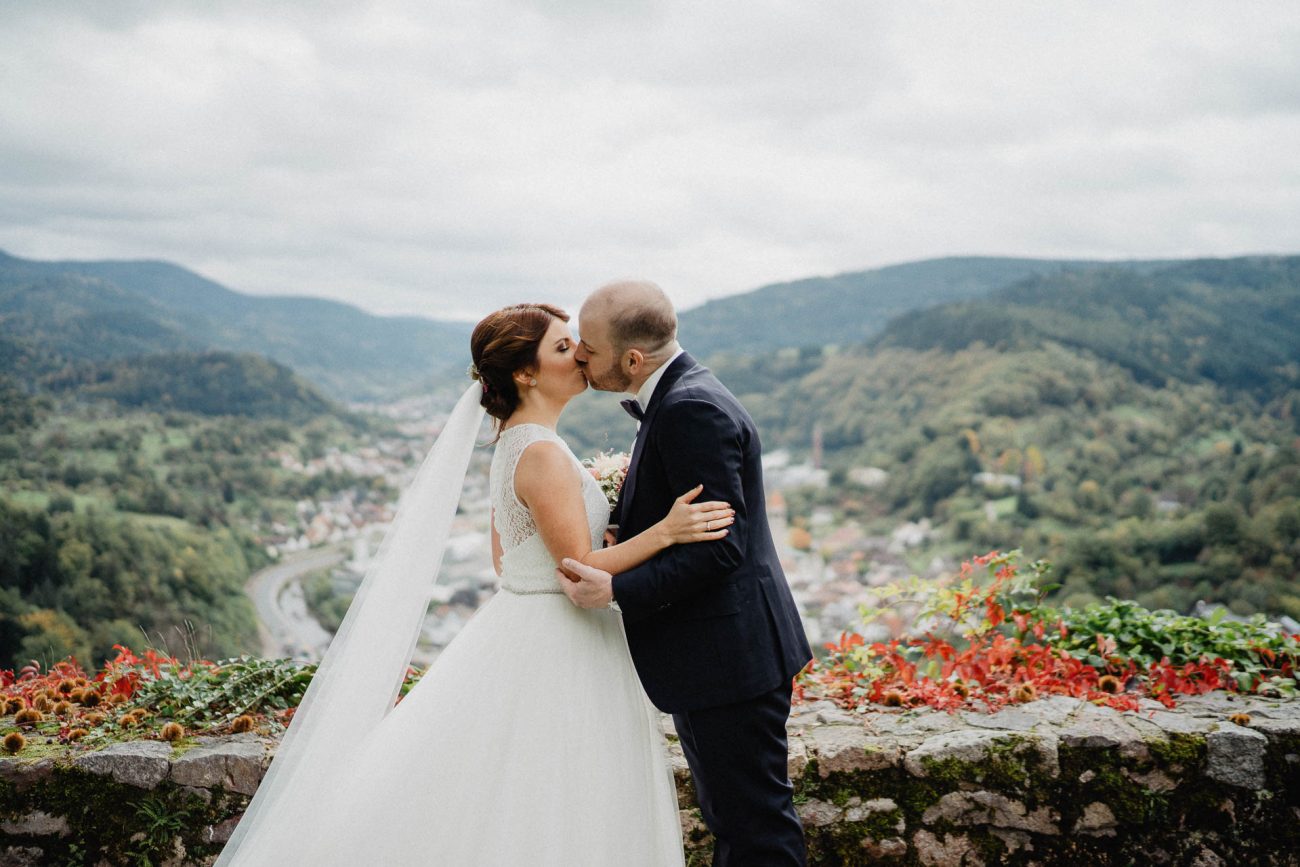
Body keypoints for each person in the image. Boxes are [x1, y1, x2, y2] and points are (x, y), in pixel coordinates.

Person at [214, 303, 735, 866]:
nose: (581, 356)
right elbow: (577, 567)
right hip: (562, 642)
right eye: (563, 348)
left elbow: (505, 559)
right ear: (525, 373)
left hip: (523, 625)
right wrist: (665, 532)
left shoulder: (513, 444)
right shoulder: (542, 452)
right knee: (564, 792)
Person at [560, 280, 814, 866]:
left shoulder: (690, 408)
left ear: (631, 359)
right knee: (736, 819)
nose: (579, 356)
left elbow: (719, 549)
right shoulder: (682, 395)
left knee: (754, 827)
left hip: (728, 655)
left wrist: (618, 588)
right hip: (721, 652)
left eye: (589, 349)